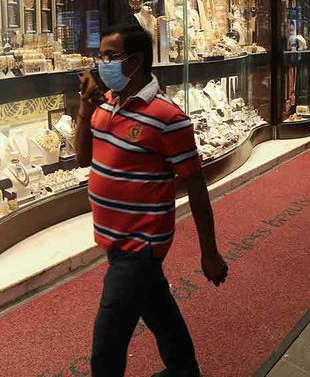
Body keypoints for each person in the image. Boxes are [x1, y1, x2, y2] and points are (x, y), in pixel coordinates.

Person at [76, 23, 228, 377]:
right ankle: (184, 369)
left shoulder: (167, 117)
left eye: (111, 57)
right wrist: (84, 110)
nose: (102, 65)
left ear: (135, 61)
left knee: (108, 342)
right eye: (100, 57)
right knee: (157, 305)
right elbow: (84, 159)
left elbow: (196, 185)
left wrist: (209, 251)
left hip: (141, 243)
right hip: (112, 237)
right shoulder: (106, 105)